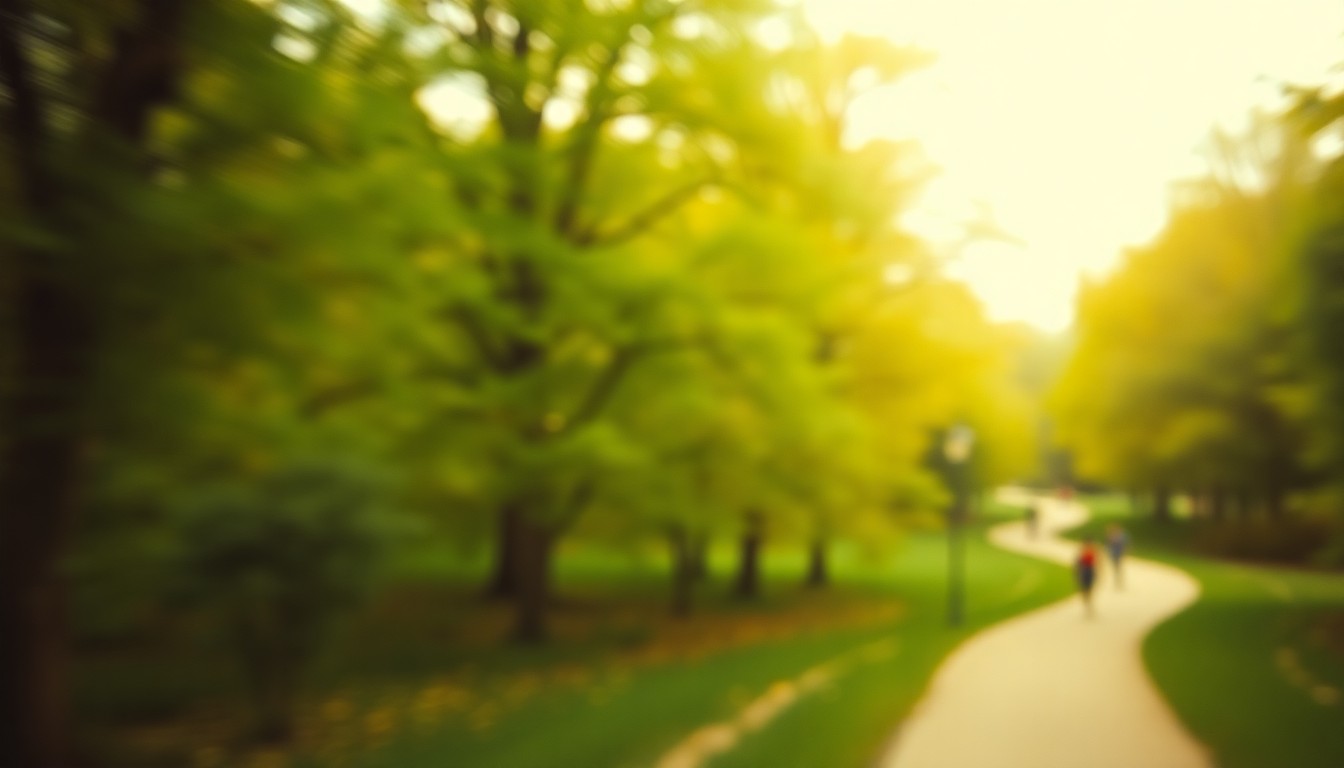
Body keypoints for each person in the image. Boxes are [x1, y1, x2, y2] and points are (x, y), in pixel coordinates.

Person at [1075, 536, 1098, 617]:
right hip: (1084, 570)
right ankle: (1086, 603)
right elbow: (1078, 563)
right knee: (1084, 588)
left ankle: (1089, 604)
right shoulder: (1082, 551)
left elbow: (1097, 562)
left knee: (1090, 588)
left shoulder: (1093, 550)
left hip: (1090, 570)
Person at [1106, 523, 1130, 589]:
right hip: (1114, 553)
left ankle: (1118, 578)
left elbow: (1125, 544)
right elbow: (1109, 544)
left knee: (1118, 566)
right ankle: (1118, 578)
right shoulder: (1112, 536)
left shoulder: (1122, 536)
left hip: (1118, 553)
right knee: (1116, 566)